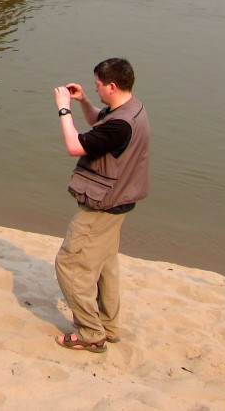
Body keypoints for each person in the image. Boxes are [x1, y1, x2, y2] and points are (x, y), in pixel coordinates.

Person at [52, 57, 151, 353]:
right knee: (107, 265)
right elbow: (100, 123)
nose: (94, 89)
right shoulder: (132, 109)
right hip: (121, 201)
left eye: (96, 85)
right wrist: (82, 101)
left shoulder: (121, 124)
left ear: (111, 86)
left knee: (69, 264)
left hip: (102, 205)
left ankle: (90, 332)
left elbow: (75, 146)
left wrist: (64, 109)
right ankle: (108, 325)